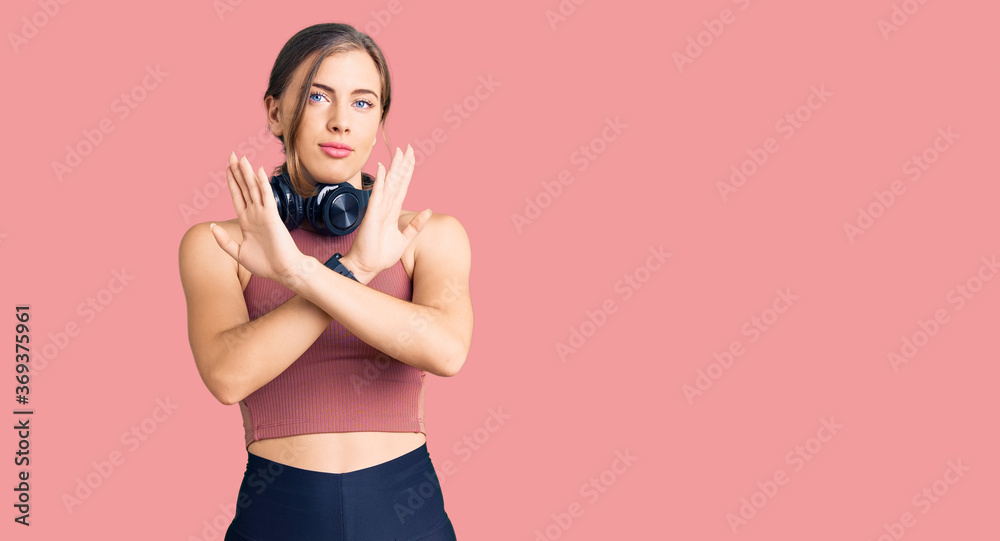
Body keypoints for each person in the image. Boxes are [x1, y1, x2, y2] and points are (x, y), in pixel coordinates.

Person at [177, 22, 472, 540]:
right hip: (277, 513)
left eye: (363, 103)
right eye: (318, 96)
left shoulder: (427, 235)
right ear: (274, 111)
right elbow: (228, 376)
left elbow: (446, 351)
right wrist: (353, 269)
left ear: (380, 118)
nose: (341, 122)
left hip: (405, 511)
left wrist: (301, 274)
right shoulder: (220, 244)